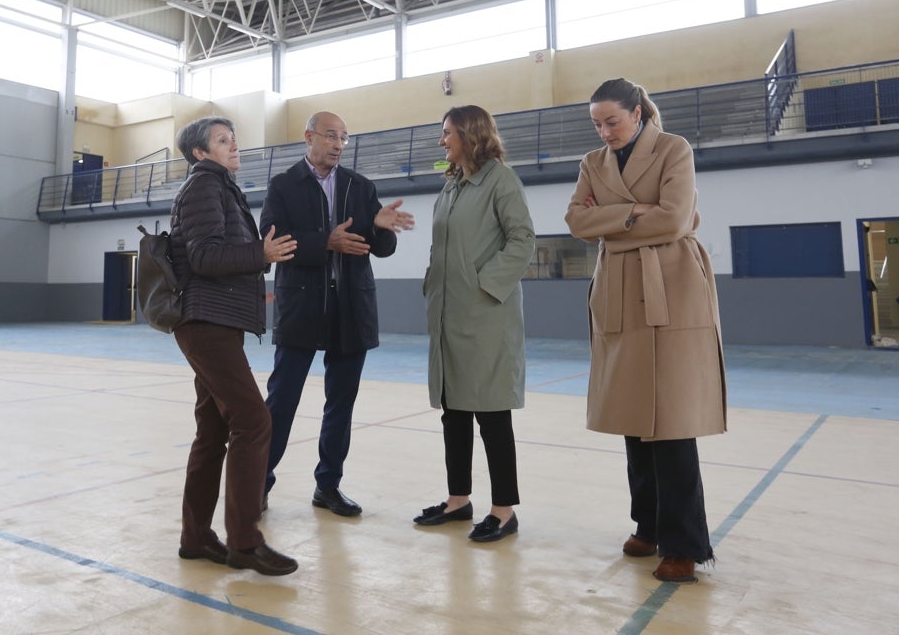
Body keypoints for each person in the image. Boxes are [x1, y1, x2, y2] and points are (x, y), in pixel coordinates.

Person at [564, 78, 728, 584]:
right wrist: (637, 211)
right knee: (634, 417)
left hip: (672, 286)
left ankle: (686, 545)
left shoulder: (674, 149)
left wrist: (610, 220)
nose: (605, 131)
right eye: (597, 123)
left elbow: (677, 220)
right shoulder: (593, 163)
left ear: (637, 113)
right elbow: (575, 220)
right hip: (618, 291)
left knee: (672, 422)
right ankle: (649, 525)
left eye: (612, 120)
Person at [259, 111, 415, 517]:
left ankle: (328, 485)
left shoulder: (360, 187)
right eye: (330, 136)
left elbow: (380, 250)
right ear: (308, 137)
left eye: (344, 138)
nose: (338, 144)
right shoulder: (283, 186)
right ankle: (258, 482)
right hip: (301, 308)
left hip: (350, 308)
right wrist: (326, 243)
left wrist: (380, 228)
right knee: (281, 401)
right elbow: (273, 241)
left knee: (340, 404)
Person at [169, 116, 300, 576]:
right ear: (200, 153)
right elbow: (204, 256)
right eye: (222, 141)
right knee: (253, 420)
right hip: (206, 322)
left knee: (212, 428)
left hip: (214, 321)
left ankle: (196, 538)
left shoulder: (220, 187)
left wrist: (256, 255)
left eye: (233, 139)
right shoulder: (205, 186)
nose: (233, 146)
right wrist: (259, 255)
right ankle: (244, 542)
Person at [416, 105, 535, 543]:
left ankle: (503, 511)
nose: (441, 140)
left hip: (485, 316)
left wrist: (486, 286)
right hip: (449, 314)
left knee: (492, 414)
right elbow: (441, 247)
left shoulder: (500, 180)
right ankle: (457, 500)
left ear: (470, 134)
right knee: (455, 412)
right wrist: (435, 284)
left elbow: (523, 239)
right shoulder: (451, 187)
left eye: (447, 133)